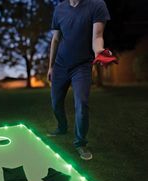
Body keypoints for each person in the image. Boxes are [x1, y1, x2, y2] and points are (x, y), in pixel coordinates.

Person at [47, 0, 111, 160]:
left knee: (81, 104)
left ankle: (80, 142)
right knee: (55, 103)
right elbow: (55, 39)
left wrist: (99, 53)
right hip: (60, 65)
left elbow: (97, 36)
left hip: (82, 66)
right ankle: (62, 127)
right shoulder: (59, 9)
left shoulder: (97, 5)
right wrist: (51, 66)